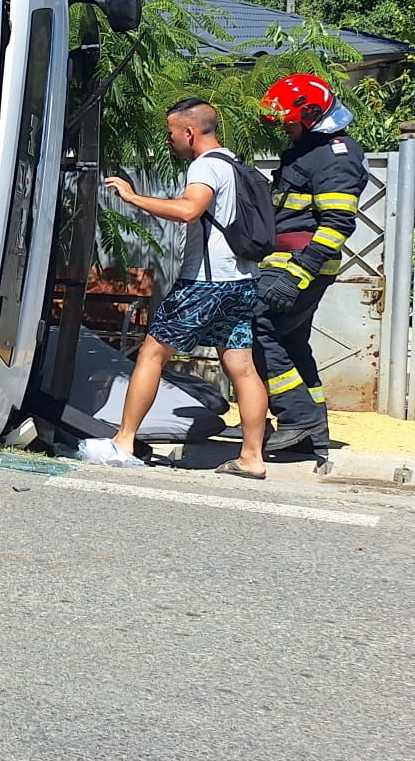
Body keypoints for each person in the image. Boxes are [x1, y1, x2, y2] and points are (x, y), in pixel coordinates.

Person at [79, 97, 268, 475]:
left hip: (204, 284)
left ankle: (123, 443)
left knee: (151, 354)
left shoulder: (205, 167)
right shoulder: (235, 164)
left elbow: (188, 210)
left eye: (170, 133)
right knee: (242, 367)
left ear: (190, 132)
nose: (168, 140)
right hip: (242, 282)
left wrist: (133, 198)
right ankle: (252, 458)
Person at [255, 74, 367, 456]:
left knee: (260, 329)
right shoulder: (307, 150)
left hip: (301, 264)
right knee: (291, 341)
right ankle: (312, 428)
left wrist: (297, 273)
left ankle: (296, 415)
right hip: (287, 260)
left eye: (287, 119)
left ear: (312, 114)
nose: (283, 127)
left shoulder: (337, 156)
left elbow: (338, 224)